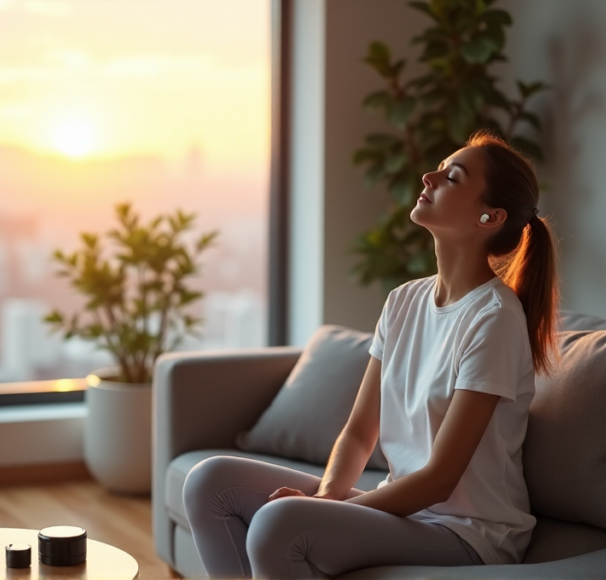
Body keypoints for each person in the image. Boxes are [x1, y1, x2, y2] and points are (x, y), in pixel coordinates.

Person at [183, 130, 560, 579]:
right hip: (406, 510)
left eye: (452, 176)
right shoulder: (404, 301)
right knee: (210, 482)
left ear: (489, 216)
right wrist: (325, 500)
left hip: (468, 532)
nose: (428, 176)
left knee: (279, 523)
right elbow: (360, 432)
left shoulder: (494, 319)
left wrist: (326, 511)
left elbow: (441, 479)